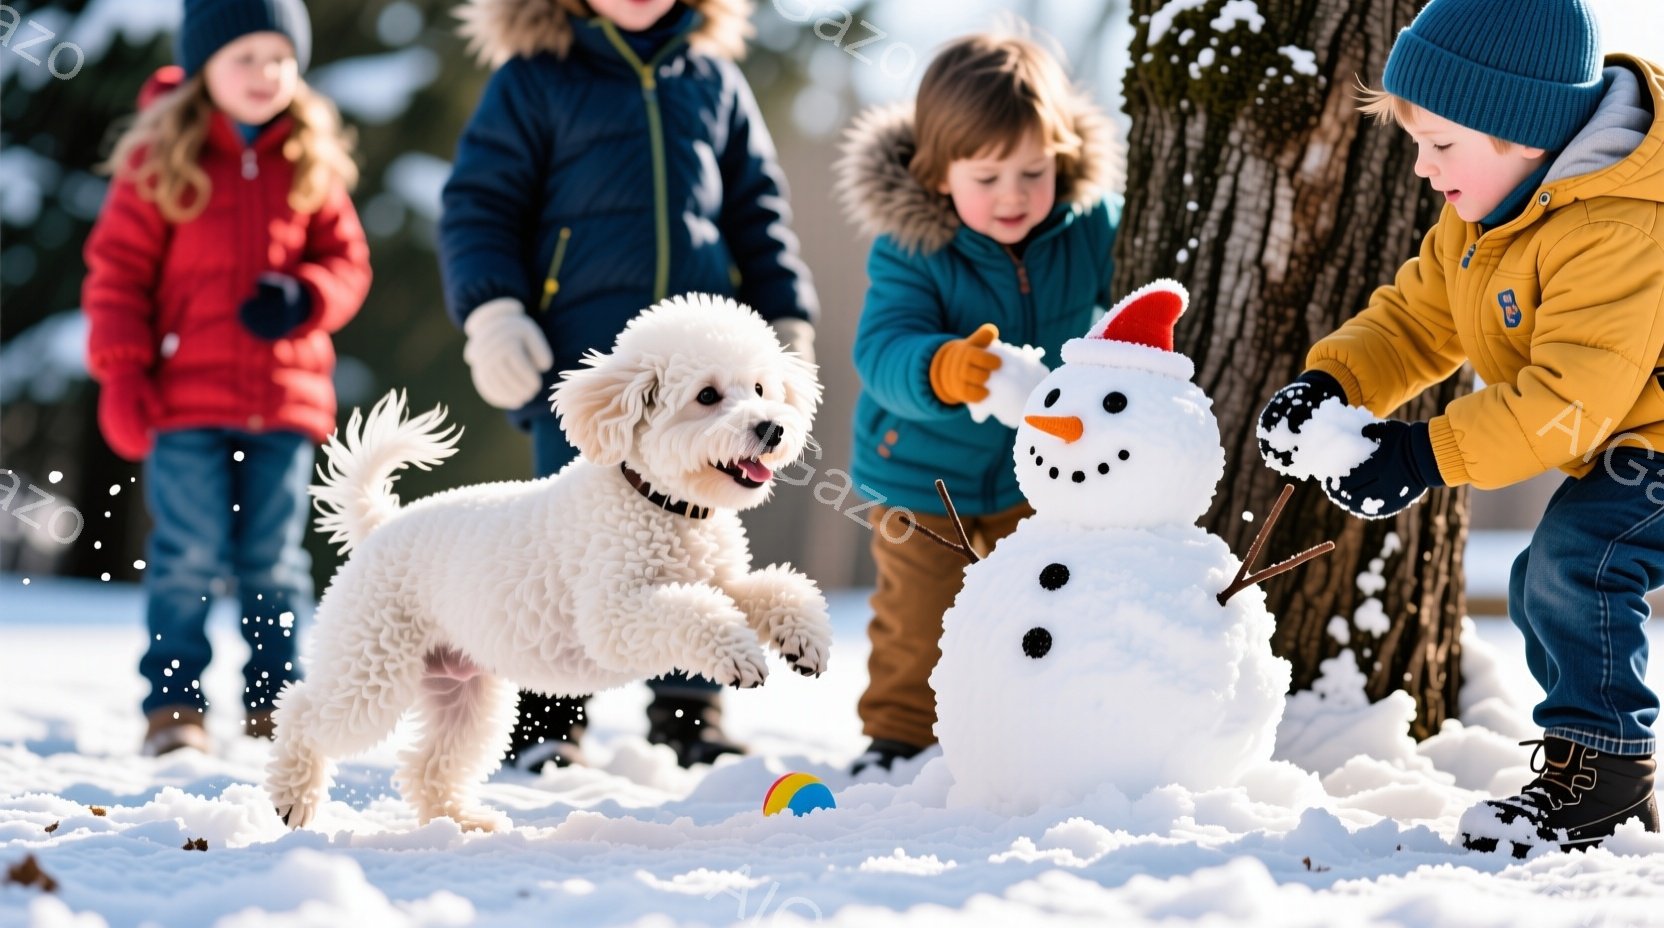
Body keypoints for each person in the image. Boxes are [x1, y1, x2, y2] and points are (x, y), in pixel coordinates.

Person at [1257, 0, 1663, 853]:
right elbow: (1415, 320)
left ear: (1522, 131)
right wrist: (1333, 382)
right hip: (1636, 436)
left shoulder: (1618, 224)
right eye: (1415, 141)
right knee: (1544, 581)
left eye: (1440, 144)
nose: (1419, 167)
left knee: (1577, 564)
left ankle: (1608, 777)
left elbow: (1566, 399)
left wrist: (1421, 452)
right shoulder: (1487, 216)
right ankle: (1585, 765)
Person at [438, 0, 818, 771]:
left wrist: (785, 318)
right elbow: (481, 204)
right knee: (570, 536)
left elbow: (757, 209)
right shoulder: (534, 78)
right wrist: (494, 311)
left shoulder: (711, 77)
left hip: (710, 375)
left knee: (701, 536)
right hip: (584, 357)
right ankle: (549, 716)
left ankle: (690, 711)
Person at [82, 0, 370, 756]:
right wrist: (122, 374)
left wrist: (306, 294)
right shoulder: (162, 159)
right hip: (186, 403)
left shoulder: (310, 157)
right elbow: (117, 277)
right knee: (189, 555)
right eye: (245, 57)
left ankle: (277, 704)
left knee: (273, 562)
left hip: (285, 401)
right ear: (205, 65)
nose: (264, 74)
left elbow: (348, 264)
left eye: (280, 57)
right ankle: (173, 708)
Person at [834, 32, 1122, 774]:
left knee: (1044, 606)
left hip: (1042, 474)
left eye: (1034, 171)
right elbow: (881, 350)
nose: (1014, 196)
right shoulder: (913, 247)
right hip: (925, 481)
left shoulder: (1089, 227)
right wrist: (945, 367)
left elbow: (1123, 305)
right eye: (987, 176)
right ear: (938, 174)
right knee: (917, 619)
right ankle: (899, 737)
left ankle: (1038, 729)